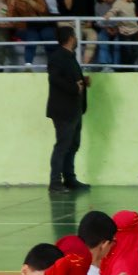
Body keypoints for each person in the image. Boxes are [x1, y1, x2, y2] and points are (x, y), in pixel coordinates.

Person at [45, 27, 89, 192]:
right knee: (63, 146)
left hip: (74, 109)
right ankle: (55, 182)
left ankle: (70, 179)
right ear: (71, 38)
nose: (76, 39)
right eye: (75, 36)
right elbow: (55, 79)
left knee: (73, 145)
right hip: (64, 110)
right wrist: (74, 87)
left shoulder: (69, 56)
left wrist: (83, 82)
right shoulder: (57, 57)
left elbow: (70, 78)